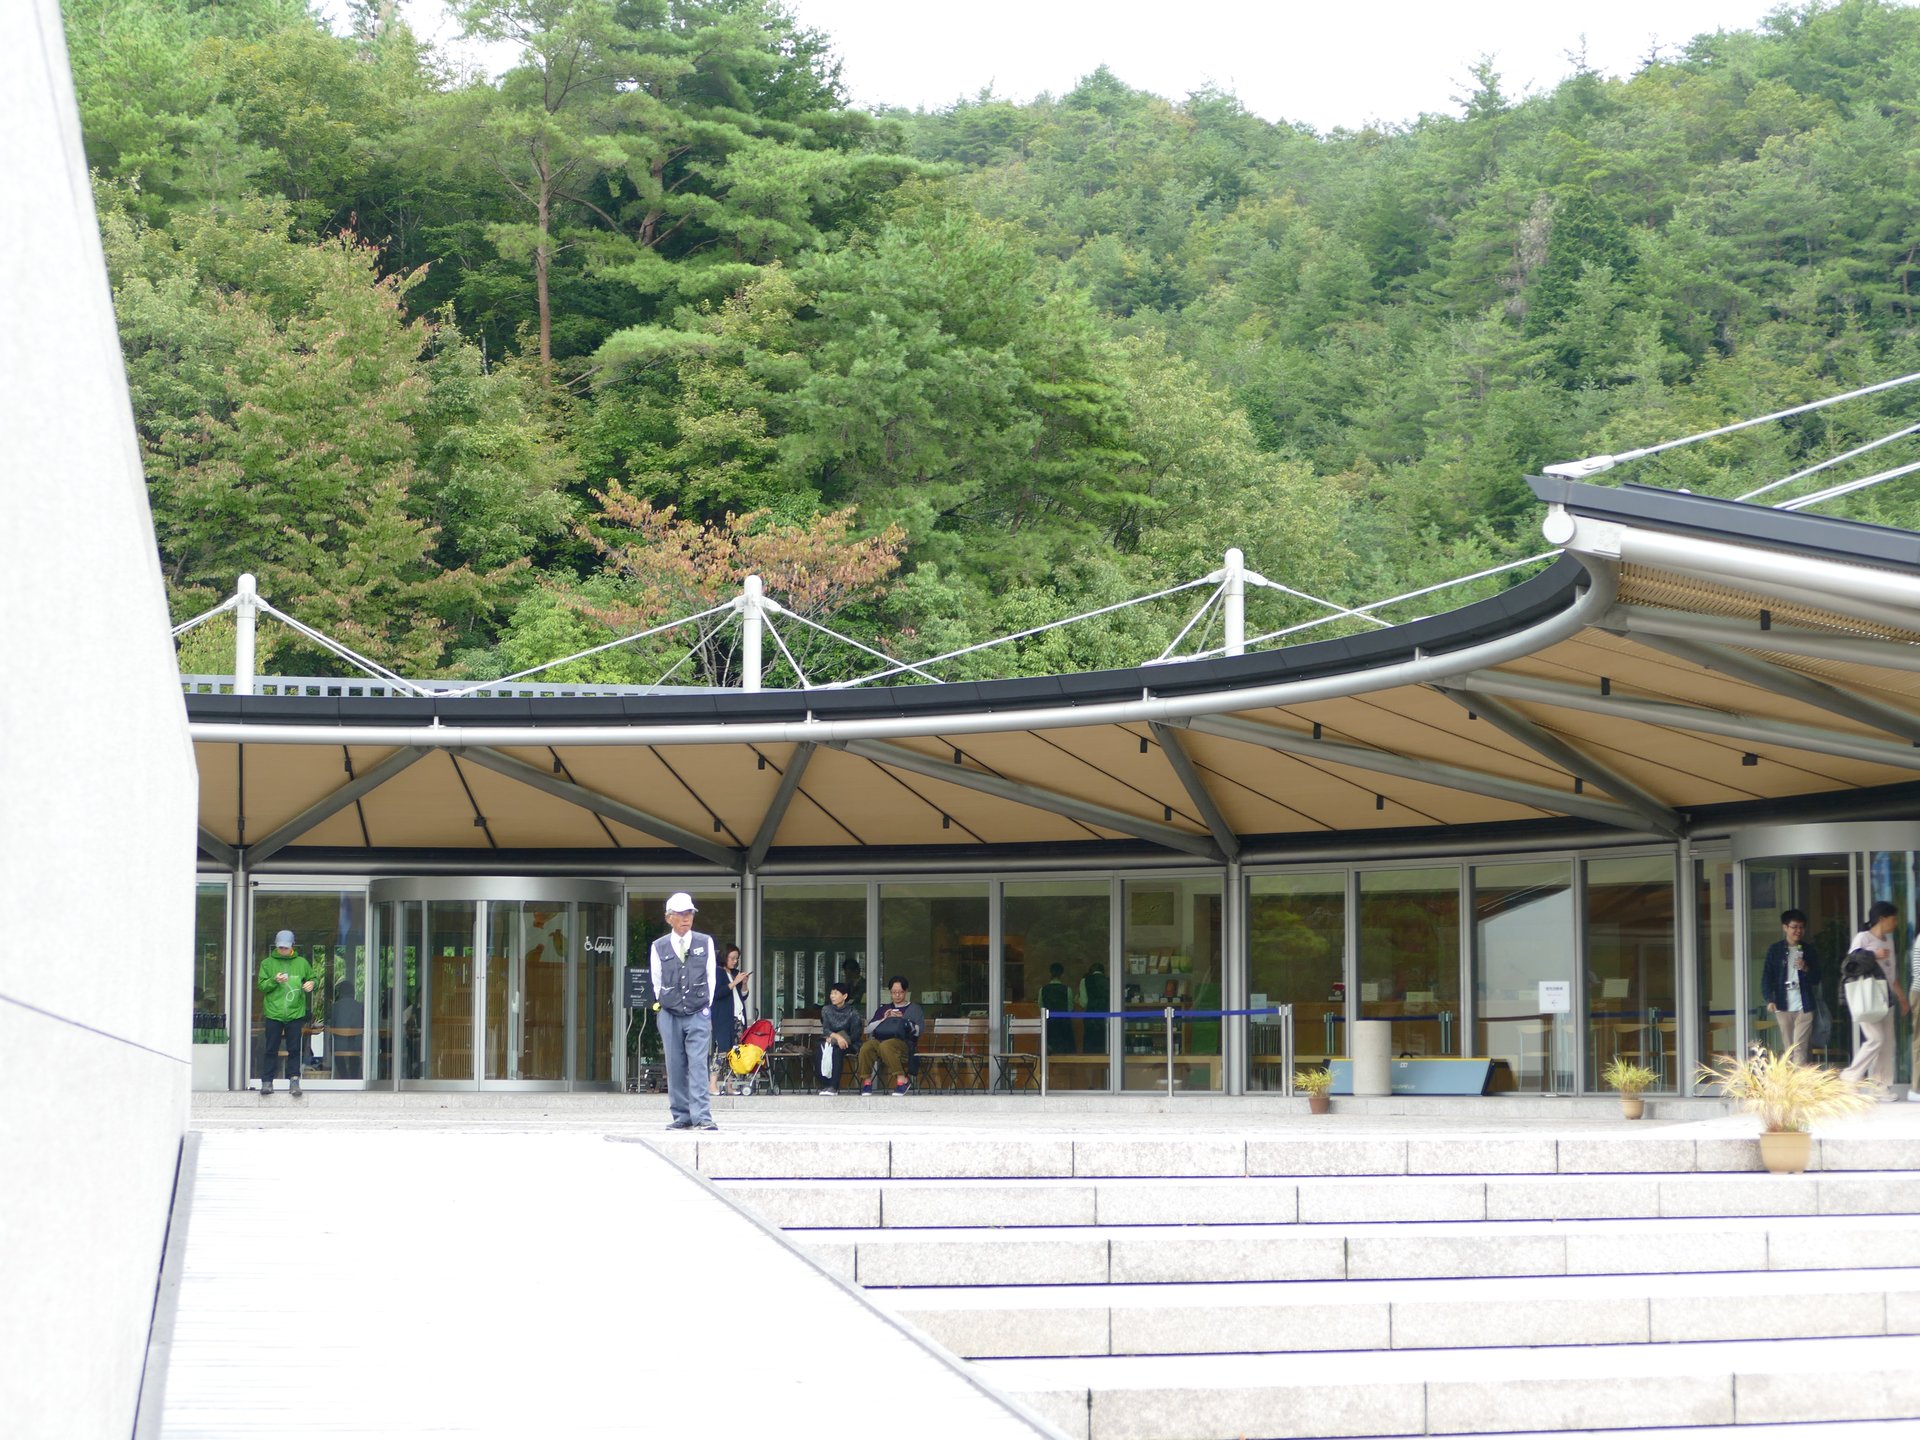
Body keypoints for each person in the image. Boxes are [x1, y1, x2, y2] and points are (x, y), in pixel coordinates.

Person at [650, 893, 718, 1131]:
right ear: (669, 918)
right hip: (669, 1013)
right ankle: (681, 1115)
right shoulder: (658, 946)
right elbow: (656, 982)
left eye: (688, 913)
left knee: (698, 1063)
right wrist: (666, 1003)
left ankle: (702, 1116)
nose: (685, 918)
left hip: (698, 1011)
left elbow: (711, 977)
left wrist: (705, 1006)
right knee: (675, 1064)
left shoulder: (704, 941)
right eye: (679, 914)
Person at [1840, 900, 1908, 1098]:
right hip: (1867, 998)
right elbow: (1849, 966)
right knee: (1875, 1039)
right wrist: (1873, 954)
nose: (1895, 923)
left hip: (1886, 998)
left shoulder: (1889, 940)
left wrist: (1902, 998)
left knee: (1887, 1043)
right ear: (1882, 919)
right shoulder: (1863, 938)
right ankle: (1849, 1077)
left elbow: (1891, 974)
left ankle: (1881, 1087)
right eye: (1893, 919)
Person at [257, 929, 316, 1098]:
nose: (283, 950)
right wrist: (274, 981)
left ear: (292, 946)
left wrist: (311, 984)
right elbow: (261, 986)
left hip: (295, 1012)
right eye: (280, 947)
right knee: (271, 1048)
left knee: (294, 1048)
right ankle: (267, 1082)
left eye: (286, 947)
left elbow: (313, 979)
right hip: (273, 1012)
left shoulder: (302, 963)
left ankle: (294, 1080)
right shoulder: (267, 963)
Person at [1760, 908, 1820, 1065]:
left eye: (1801, 927)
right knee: (1789, 1049)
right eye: (1794, 927)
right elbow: (1767, 977)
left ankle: (1798, 1085)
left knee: (1800, 1046)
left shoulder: (1809, 950)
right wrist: (1769, 999)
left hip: (1805, 1005)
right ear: (1785, 927)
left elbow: (1817, 978)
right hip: (1782, 1004)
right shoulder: (1775, 950)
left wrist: (1806, 968)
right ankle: (1794, 1084)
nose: (1798, 931)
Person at [856, 975, 923, 1096]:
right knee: (867, 1046)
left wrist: (904, 1021)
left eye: (900, 992)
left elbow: (918, 1031)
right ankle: (866, 1082)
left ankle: (902, 1080)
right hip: (881, 1041)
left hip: (904, 1044)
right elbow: (868, 1029)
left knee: (886, 1045)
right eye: (894, 992)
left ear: (906, 991)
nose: (897, 995)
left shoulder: (914, 1009)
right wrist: (884, 1018)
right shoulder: (884, 1009)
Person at [710, 942, 748, 1093]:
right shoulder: (718, 973)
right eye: (732, 958)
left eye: (736, 958)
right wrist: (734, 983)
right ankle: (712, 1083)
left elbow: (743, 996)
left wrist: (743, 984)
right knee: (721, 1050)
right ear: (724, 957)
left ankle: (730, 1084)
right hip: (723, 1018)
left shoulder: (734, 973)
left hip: (737, 1017)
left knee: (735, 1051)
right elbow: (717, 994)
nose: (734, 961)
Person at [818, 979, 863, 1094]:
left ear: (844, 996)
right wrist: (836, 1038)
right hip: (831, 1040)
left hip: (849, 1043)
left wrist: (841, 1040)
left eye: (836, 993)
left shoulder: (853, 1012)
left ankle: (834, 1086)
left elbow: (855, 1034)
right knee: (818, 1051)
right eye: (831, 993)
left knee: (837, 1051)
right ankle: (825, 1084)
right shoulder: (826, 1010)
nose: (832, 996)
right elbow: (826, 1029)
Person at [328, 980, 365, 1079]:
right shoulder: (360, 1007)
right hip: (357, 1045)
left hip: (339, 1046)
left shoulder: (335, 1007)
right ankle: (353, 1077)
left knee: (335, 1050)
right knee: (355, 1056)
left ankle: (344, 1076)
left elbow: (331, 1025)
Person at [1039, 962, 1074, 1055]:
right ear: (1062, 974)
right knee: (1064, 1052)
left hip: (1048, 1024)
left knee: (1048, 1052)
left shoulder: (1043, 989)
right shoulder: (1067, 989)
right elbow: (1070, 1007)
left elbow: (1041, 1007)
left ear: (1050, 973)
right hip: (1063, 1025)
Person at [1080, 962, 1110, 1055]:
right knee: (1105, 1045)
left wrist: (1078, 1000)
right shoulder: (1109, 981)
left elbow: (1084, 1002)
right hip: (1106, 1018)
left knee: (1090, 1048)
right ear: (1103, 971)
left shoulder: (1085, 980)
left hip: (1090, 1017)